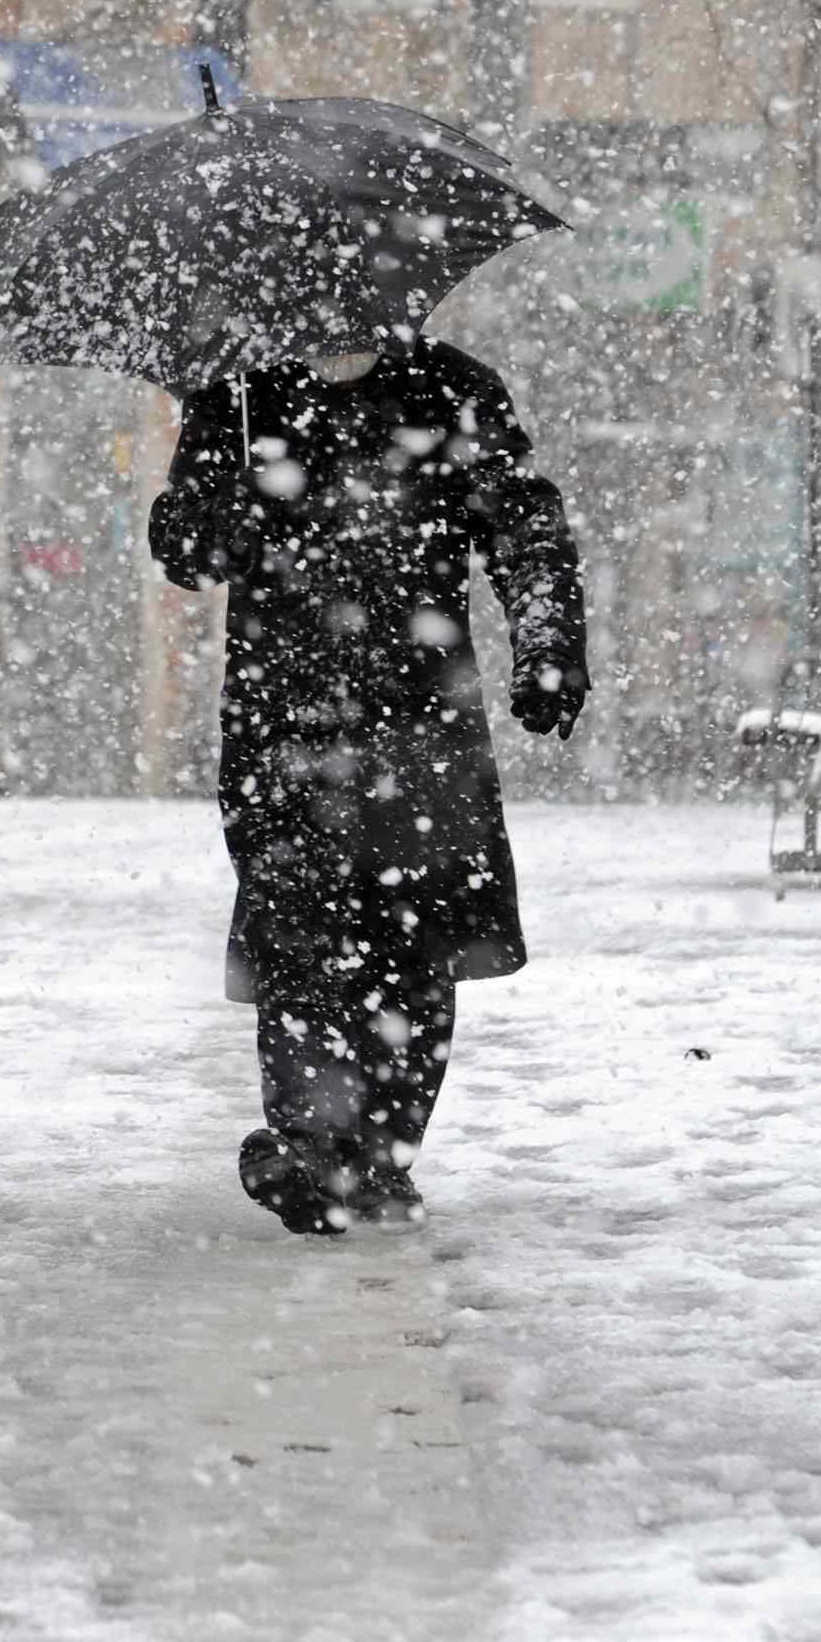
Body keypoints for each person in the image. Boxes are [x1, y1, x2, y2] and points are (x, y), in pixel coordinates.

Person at [151, 334, 587, 1235]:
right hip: (283, 716)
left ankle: (382, 1151)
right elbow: (184, 550)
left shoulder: (453, 388)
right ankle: (312, 1145)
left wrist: (549, 641)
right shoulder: (235, 398)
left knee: (416, 940)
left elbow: (523, 525)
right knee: (297, 926)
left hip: (420, 719)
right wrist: (216, 514)